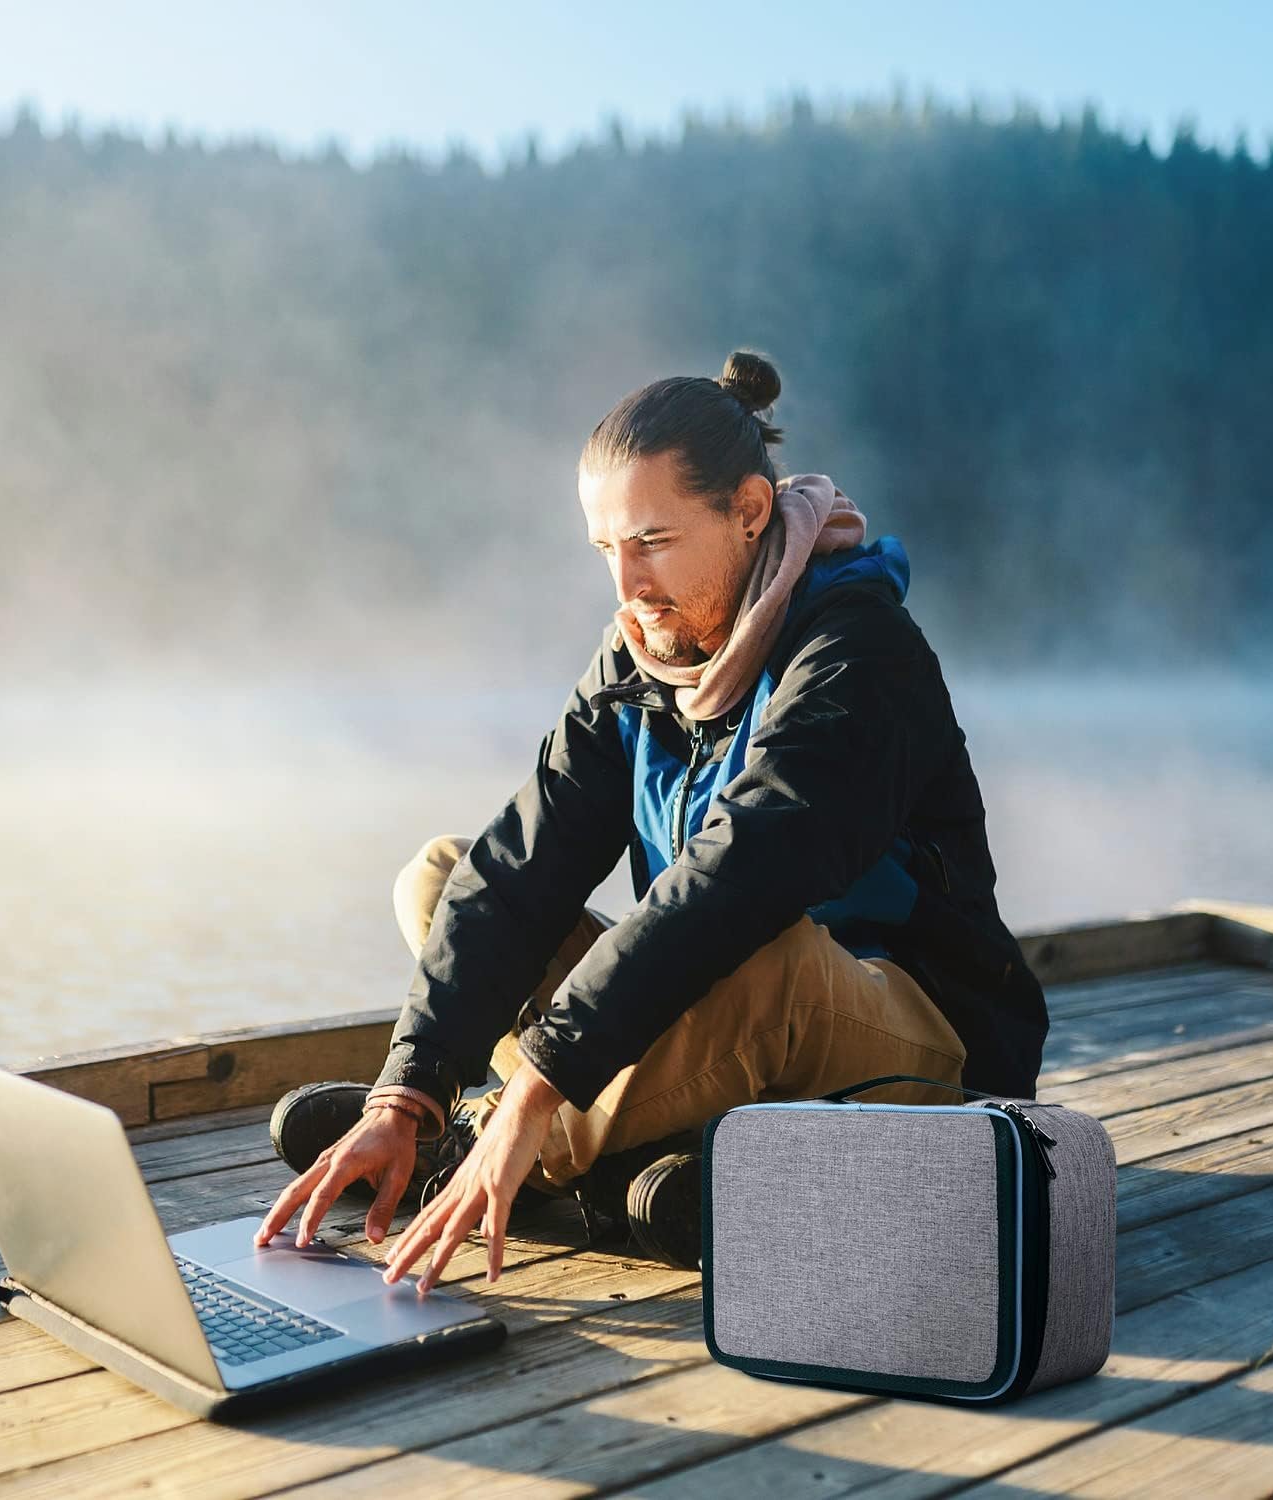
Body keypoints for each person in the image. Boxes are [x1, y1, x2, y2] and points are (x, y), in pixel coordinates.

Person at [254, 350, 1048, 1287]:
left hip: (922, 1039)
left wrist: (532, 1090)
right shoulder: (642, 654)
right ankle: (598, 1151)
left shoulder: (858, 653)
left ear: (748, 511)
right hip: (717, 1000)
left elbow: (736, 885)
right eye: (606, 549)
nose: (626, 581)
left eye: (653, 541)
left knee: (770, 957)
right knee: (443, 875)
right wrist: (406, 1089)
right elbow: (523, 867)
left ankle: (493, 1146)